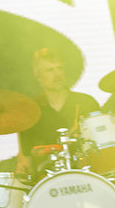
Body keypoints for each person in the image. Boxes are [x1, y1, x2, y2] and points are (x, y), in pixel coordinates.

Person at [16, 47, 100, 177]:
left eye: (59, 68)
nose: (57, 75)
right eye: (50, 70)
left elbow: (102, 144)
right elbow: (25, 156)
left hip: (88, 173)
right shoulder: (30, 110)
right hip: (49, 179)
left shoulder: (86, 102)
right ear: (38, 75)